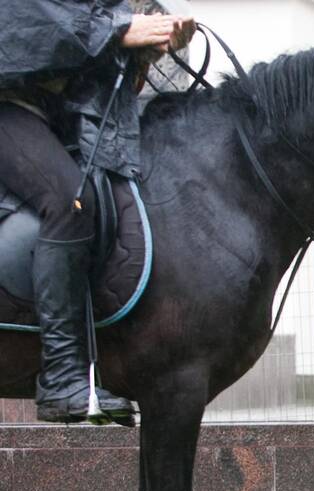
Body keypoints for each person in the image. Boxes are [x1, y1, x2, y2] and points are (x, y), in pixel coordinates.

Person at [0, 2, 195, 424]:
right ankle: (62, 378)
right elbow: (27, 20)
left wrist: (151, 39)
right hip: (8, 106)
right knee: (70, 202)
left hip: (53, 114)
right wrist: (119, 29)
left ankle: (94, 364)